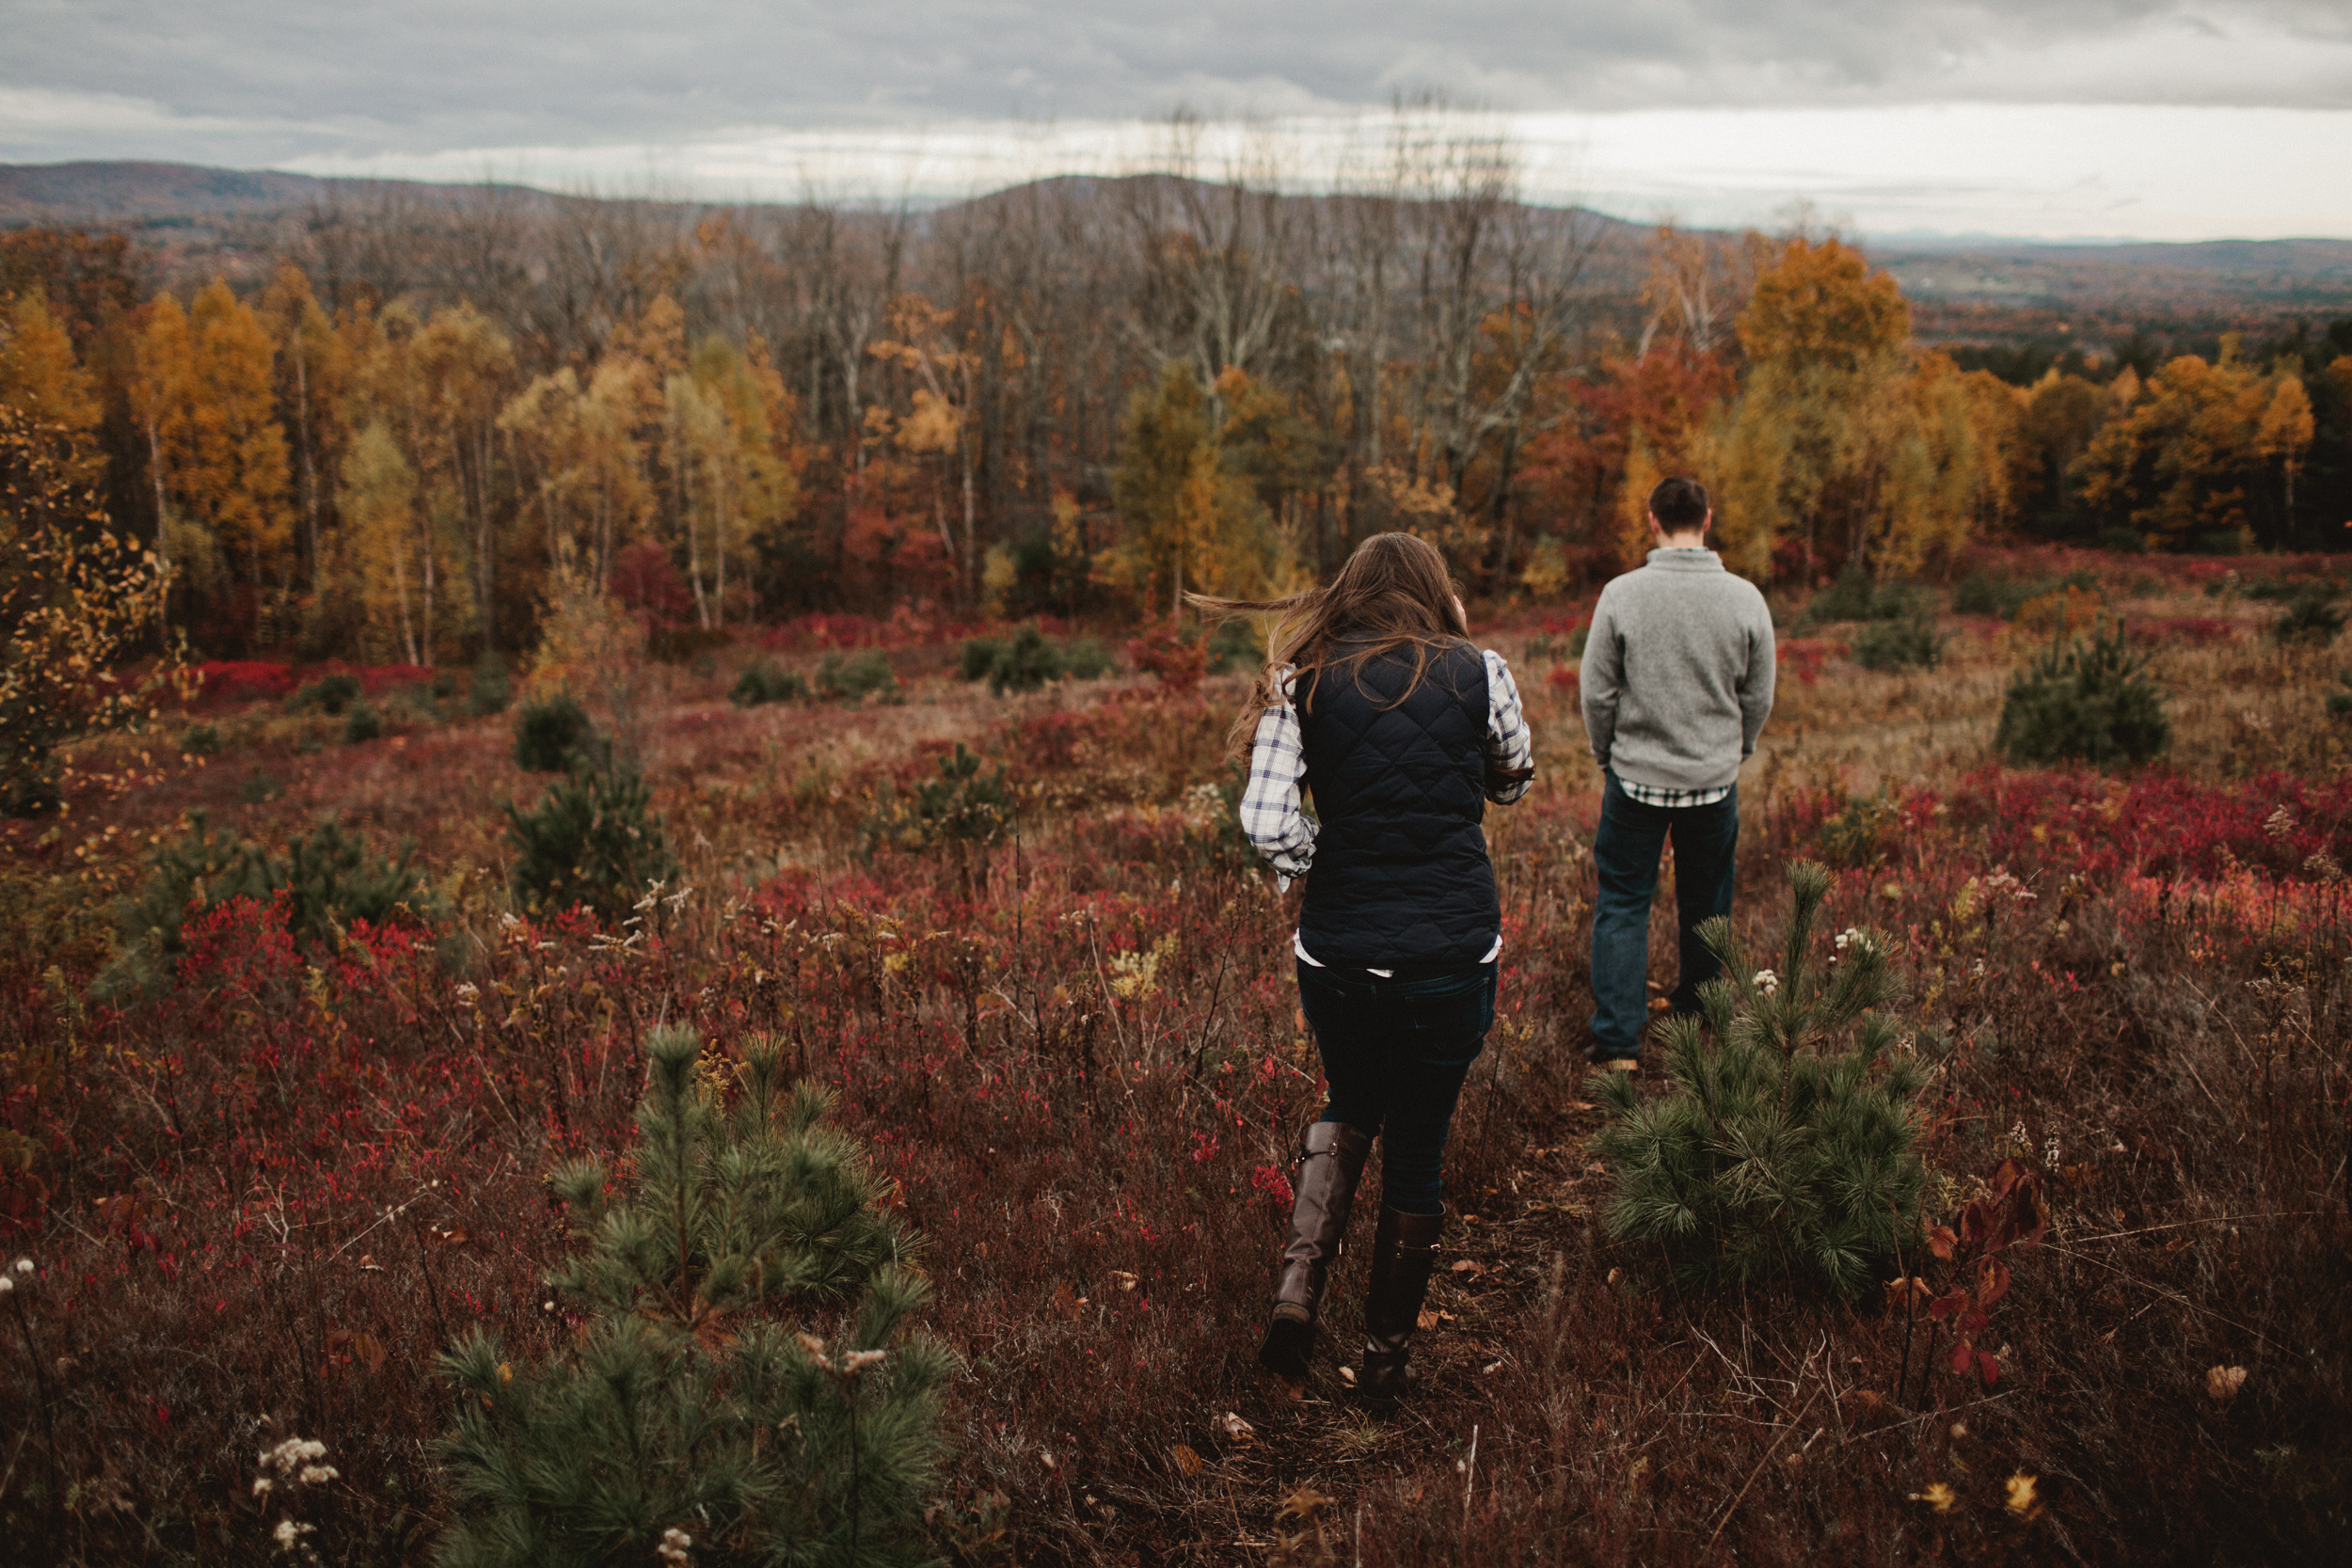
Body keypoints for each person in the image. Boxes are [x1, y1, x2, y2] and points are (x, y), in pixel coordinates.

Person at [1198, 532, 1534, 1403]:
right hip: (1455, 952)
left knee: (1349, 1099)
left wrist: (1320, 856)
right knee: (1418, 1149)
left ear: (1349, 593)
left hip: (1341, 951)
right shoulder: (1480, 670)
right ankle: (1384, 1364)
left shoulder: (1301, 683)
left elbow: (1267, 819)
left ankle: (1296, 1298)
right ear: (1434, 591)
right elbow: (1514, 776)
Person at [1579, 476, 1775, 1070]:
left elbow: (1597, 692)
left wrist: (1606, 753)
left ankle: (1617, 1044)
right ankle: (1700, 1016)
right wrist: (1736, 746)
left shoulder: (1621, 594)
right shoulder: (1745, 599)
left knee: (1622, 903)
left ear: (1652, 520)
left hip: (1635, 778)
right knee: (1707, 903)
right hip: (1713, 782)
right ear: (1708, 519)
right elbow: (1759, 692)